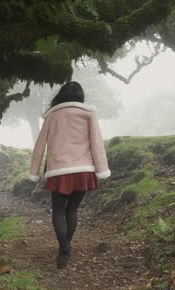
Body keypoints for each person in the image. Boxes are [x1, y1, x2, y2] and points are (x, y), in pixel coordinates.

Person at [28, 81, 111, 269]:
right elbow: (97, 143)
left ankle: (64, 246)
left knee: (58, 209)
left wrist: (34, 172)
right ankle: (64, 248)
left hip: (59, 171)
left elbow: (39, 145)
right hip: (84, 170)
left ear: (61, 96)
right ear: (80, 97)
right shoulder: (89, 114)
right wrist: (101, 169)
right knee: (72, 210)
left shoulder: (52, 116)